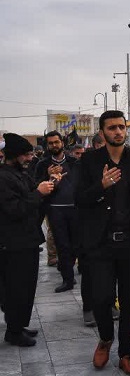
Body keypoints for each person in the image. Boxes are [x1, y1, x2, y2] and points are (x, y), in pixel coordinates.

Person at [75, 110, 130, 375]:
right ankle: (106, 339)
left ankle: (126, 354)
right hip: (100, 243)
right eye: (112, 128)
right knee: (101, 297)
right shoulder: (89, 161)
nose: (118, 132)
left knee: (129, 300)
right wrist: (101, 185)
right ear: (102, 132)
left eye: (121, 127)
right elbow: (79, 199)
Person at [0, 133, 54, 346]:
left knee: (26, 288)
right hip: (14, 244)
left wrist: (49, 184)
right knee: (17, 288)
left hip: (27, 240)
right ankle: (13, 331)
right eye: (26, 155)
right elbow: (15, 209)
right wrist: (39, 193)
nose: (30, 158)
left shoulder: (20, 174)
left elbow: (32, 193)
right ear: (13, 155)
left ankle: (18, 324)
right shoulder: (3, 178)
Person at [34, 130, 78, 293]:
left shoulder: (74, 162)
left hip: (75, 209)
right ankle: (67, 279)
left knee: (75, 245)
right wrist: (48, 176)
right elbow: (35, 186)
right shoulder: (42, 165)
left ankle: (68, 266)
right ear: (47, 145)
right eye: (51, 143)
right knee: (62, 245)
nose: (54, 145)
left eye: (56, 142)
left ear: (62, 143)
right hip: (55, 210)